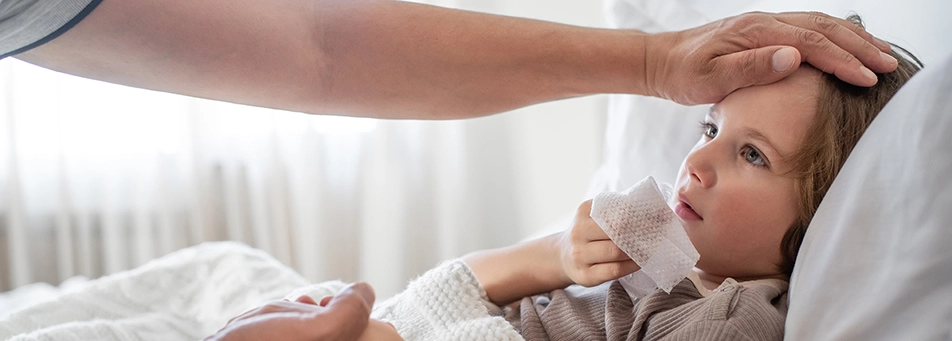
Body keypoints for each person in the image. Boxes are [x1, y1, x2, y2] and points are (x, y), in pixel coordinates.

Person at [0, 2, 900, 340]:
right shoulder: (664, 252)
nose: (696, 157)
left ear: (827, 213)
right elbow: (492, 288)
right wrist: (553, 252)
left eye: (750, 153)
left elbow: (318, 48)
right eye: (711, 126)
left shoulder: (736, 314)